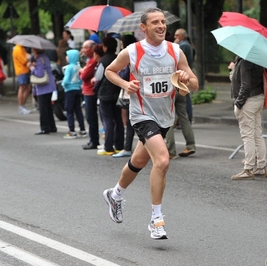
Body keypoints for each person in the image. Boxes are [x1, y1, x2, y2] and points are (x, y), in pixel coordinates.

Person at [102, 7, 198, 240]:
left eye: (163, 21)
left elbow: (194, 83)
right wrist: (125, 85)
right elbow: (109, 71)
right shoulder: (132, 51)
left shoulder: (175, 51)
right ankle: (156, 220)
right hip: (143, 115)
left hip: (165, 116)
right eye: (155, 22)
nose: (161, 25)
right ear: (143, 28)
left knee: (138, 161)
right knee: (163, 160)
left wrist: (186, 78)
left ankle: (114, 194)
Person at [230, 56, 267, 180]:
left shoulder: (245, 62)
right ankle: (261, 167)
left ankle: (248, 169)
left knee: (248, 136)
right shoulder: (257, 59)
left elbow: (245, 85)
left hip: (248, 101)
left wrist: (238, 104)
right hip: (258, 98)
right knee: (257, 134)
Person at [95, 36, 124, 156]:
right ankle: (119, 146)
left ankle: (108, 147)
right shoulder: (119, 58)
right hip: (117, 92)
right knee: (118, 119)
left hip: (105, 94)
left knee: (107, 120)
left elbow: (97, 78)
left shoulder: (103, 61)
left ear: (105, 47)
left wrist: (96, 89)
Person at [112, 34, 137, 158]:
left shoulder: (127, 55)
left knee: (131, 121)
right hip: (142, 91)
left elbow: (124, 75)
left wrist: (120, 72)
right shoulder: (139, 53)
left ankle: (127, 148)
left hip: (131, 92)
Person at [28, 48, 57, 135]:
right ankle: (52, 126)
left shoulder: (39, 59)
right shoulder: (45, 57)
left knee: (43, 108)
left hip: (43, 87)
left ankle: (44, 127)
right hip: (50, 85)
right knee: (48, 107)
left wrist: (32, 68)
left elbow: (40, 74)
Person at [61, 49, 87, 139]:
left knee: (69, 111)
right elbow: (80, 79)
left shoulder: (69, 67)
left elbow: (66, 80)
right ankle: (82, 130)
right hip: (77, 90)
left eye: (67, 55)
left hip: (69, 90)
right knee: (78, 110)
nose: (66, 57)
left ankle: (72, 131)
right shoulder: (78, 67)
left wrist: (63, 84)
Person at [80, 40, 101, 149]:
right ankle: (92, 139)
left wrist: (81, 71)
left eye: (85, 47)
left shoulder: (93, 61)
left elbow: (84, 76)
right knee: (90, 116)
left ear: (92, 48)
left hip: (90, 91)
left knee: (91, 116)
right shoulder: (90, 60)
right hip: (88, 90)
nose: (83, 50)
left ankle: (94, 140)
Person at [174, 28, 194, 124]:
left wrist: (175, 44)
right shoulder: (186, 45)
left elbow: (177, 59)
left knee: (184, 98)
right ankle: (185, 120)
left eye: (177, 35)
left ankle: (185, 120)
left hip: (182, 75)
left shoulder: (183, 46)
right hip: (184, 74)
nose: (175, 37)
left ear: (183, 36)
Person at [12, 44, 32, 114]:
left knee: (27, 87)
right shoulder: (18, 49)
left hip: (24, 70)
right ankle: (21, 106)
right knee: (22, 87)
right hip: (22, 71)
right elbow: (23, 60)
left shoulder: (21, 48)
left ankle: (22, 105)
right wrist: (29, 57)